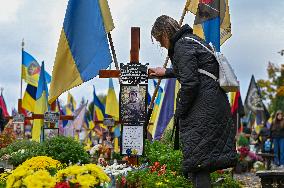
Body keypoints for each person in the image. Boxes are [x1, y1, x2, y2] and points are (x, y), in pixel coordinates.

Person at [149, 15, 237, 188]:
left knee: (199, 164)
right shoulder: (192, 40)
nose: (160, 44)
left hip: (202, 110)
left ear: (165, 34)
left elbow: (190, 83)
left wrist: (180, 111)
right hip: (212, 105)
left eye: (159, 39)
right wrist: (166, 72)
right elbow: (196, 70)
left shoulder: (182, 45)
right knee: (200, 161)